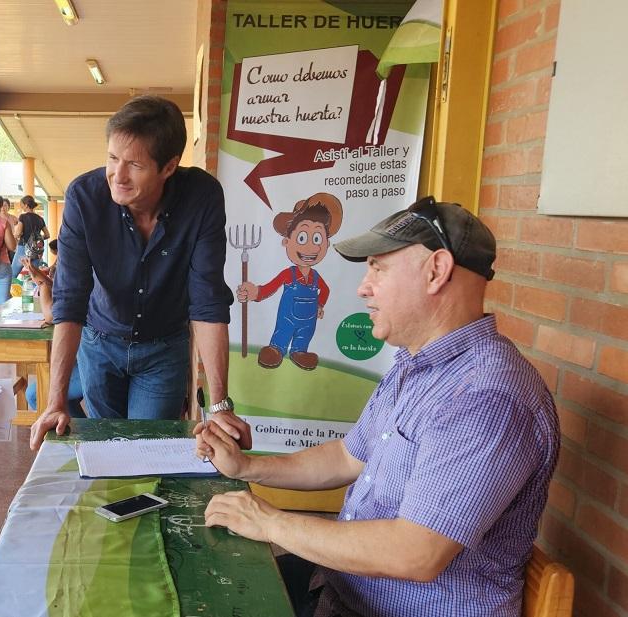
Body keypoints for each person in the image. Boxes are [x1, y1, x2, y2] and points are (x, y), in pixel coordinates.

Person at [195, 197, 560, 617]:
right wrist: (247, 467)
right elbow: (348, 456)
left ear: (436, 271)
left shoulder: (486, 397)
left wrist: (269, 522)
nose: (363, 286)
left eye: (378, 268)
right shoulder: (416, 363)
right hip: (346, 588)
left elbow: (415, 554)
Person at [30, 95, 246, 450]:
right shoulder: (84, 197)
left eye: (135, 164)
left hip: (163, 349)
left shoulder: (201, 198)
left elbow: (207, 300)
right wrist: (54, 403)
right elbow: (70, 299)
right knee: (109, 449)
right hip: (99, 344)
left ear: (169, 166)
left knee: (148, 450)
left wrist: (220, 405)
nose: (118, 175)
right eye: (112, 159)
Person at [237, 193, 343, 371]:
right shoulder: (288, 274)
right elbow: (269, 288)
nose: (311, 247)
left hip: (308, 320)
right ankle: (276, 350)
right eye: (302, 238)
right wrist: (254, 292)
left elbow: (325, 290)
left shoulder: (316, 278)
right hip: (287, 319)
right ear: (287, 241)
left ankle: (299, 352)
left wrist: (320, 305)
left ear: (326, 244)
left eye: (317, 239)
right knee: (283, 333)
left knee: (305, 335)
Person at [20, 241, 83, 417]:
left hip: (96, 358)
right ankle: (76, 433)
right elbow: (61, 289)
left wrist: (41, 284)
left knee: (35, 394)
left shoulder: (79, 257)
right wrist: (41, 278)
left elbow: (52, 315)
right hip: (92, 353)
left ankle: (78, 436)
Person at [11, 195, 50, 278]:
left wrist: (15, 230)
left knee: (12, 274)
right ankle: (37, 291)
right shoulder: (40, 218)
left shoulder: (23, 217)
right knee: (34, 276)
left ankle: (10, 291)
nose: (21, 207)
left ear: (26, 205)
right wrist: (37, 239)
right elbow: (47, 235)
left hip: (23, 248)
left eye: (22, 205)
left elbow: (17, 233)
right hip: (36, 250)